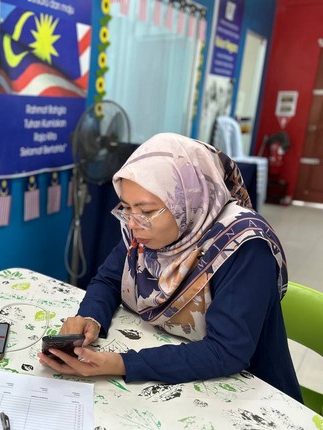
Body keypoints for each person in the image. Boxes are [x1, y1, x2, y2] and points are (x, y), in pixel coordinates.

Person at [38, 132, 302, 402]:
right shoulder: (142, 230)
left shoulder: (243, 245)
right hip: (175, 376)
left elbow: (226, 351)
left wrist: (121, 364)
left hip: (249, 394)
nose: (132, 223)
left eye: (147, 211)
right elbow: (109, 280)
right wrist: (90, 317)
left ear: (188, 200)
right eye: (126, 207)